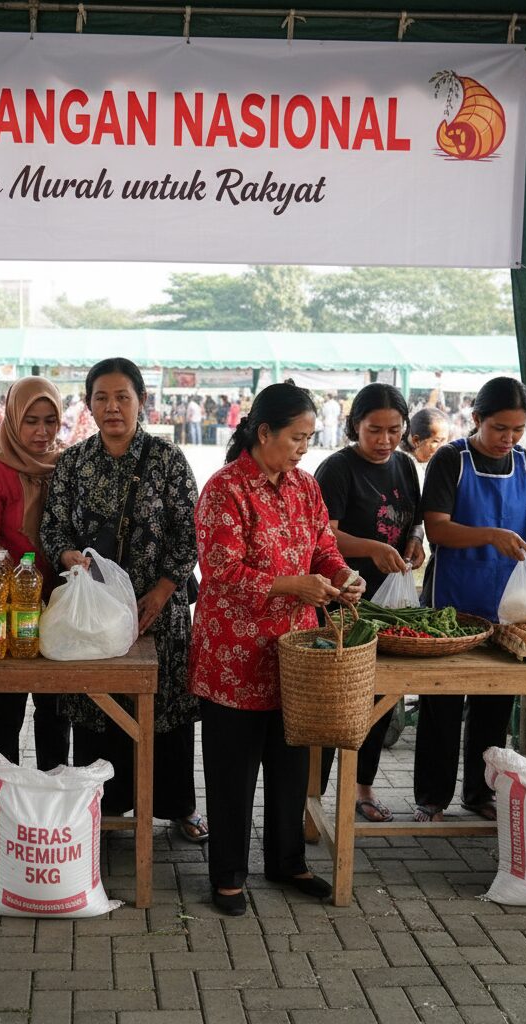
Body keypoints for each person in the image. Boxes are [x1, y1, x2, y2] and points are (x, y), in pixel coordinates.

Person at [189, 382, 365, 916]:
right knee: (233, 772)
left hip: (294, 653)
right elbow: (220, 570)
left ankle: (287, 862)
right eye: (296, 437)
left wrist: (343, 575)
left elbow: (323, 547)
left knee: (290, 766)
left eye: (309, 438)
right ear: (263, 432)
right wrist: (294, 586)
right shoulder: (225, 489)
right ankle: (227, 875)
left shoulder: (305, 487)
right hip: (233, 656)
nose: (304, 448)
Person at [41, 357, 208, 842]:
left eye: (122, 397)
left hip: (157, 612)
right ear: (88, 404)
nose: (112, 407)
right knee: (98, 707)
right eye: (102, 398)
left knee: (165, 709)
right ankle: (106, 808)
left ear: (141, 401)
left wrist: (161, 592)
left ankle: (178, 807)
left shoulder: (167, 459)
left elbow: (190, 533)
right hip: (91, 614)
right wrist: (68, 555)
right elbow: (53, 526)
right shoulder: (73, 462)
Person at [414, 376, 526, 822]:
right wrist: (490, 535)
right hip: (451, 602)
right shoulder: (451, 460)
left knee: (494, 704)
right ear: (477, 418)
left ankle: (480, 792)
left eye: (517, 430)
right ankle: (432, 797)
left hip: (508, 605)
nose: (508, 438)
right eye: (499, 428)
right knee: (442, 704)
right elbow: (437, 529)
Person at [315, 383, 424, 823]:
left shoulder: (405, 465)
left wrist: (414, 542)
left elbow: (414, 520)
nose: (384, 440)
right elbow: (324, 535)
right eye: (374, 430)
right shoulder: (337, 469)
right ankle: (312, 797)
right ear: (354, 426)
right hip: (343, 601)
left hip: (388, 605)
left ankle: (364, 788)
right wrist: (371, 548)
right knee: (333, 703)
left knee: (378, 701)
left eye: (394, 430)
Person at [0, 377, 69, 785]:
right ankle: (1, 796)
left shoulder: (67, 464)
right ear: (12, 419)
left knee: (55, 706)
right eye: (31, 421)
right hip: (12, 608)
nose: (42, 432)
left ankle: (53, 791)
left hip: (59, 605)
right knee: (5, 707)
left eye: (50, 421)